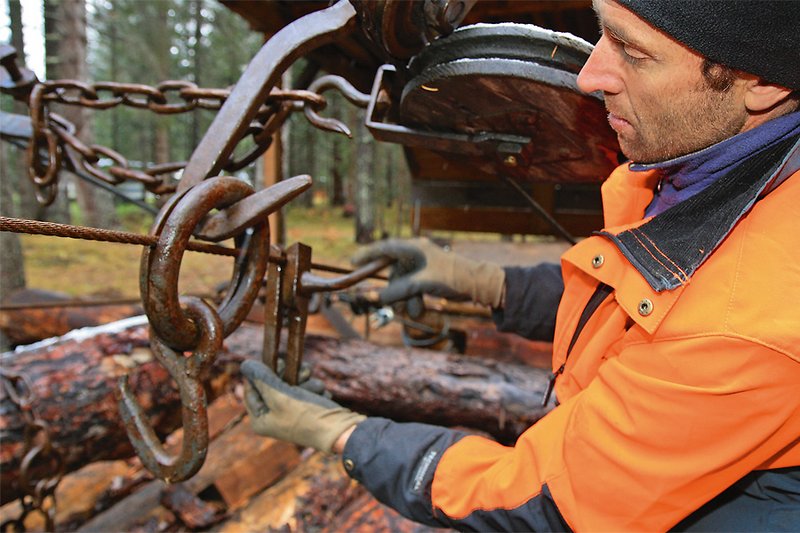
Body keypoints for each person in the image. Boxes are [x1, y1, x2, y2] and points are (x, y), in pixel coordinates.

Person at [241, 0, 800, 530]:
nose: (590, 74)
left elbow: (547, 502)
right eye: (600, 28)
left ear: (764, 83)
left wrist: (347, 437)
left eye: (633, 52)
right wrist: (484, 284)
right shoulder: (697, 172)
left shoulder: (752, 324)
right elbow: (641, 304)